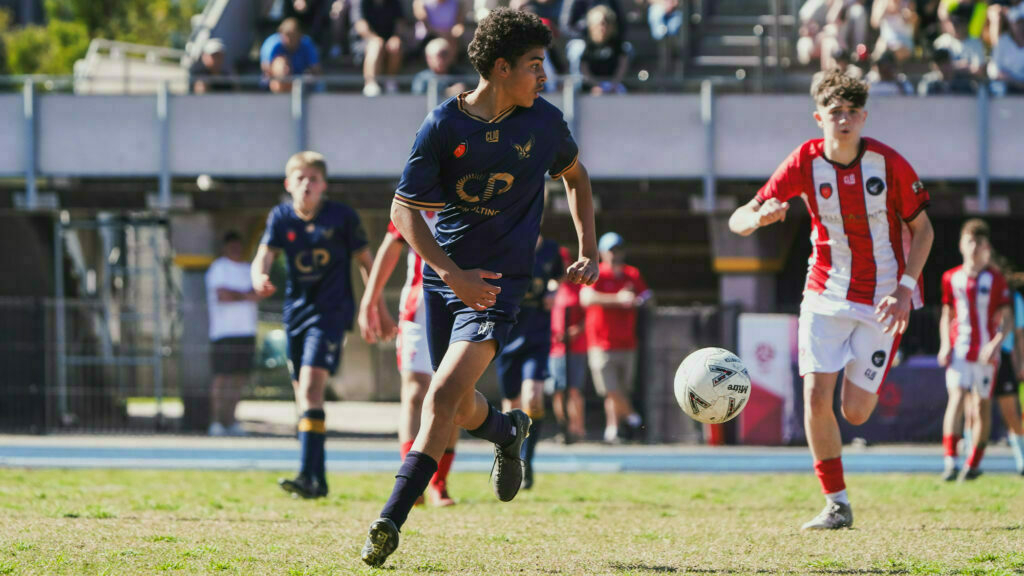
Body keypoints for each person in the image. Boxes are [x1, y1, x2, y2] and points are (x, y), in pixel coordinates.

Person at [360, 8, 599, 567]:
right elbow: (403, 211)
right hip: (446, 280)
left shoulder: (543, 123)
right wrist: (449, 274)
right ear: (500, 67)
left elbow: (577, 178)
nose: (544, 76)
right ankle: (506, 431)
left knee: (437, 398)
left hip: (499, 286)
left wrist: (587, 249)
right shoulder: (443, 126)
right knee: (460, 404)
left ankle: (388, 521)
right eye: (534, 65)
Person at [728, 69, 935, 530]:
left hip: (883, 298)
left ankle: (863, 364)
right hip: (824, 292)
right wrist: (760, 218)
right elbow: (737, 220)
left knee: (855, 411)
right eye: (834, 113)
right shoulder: (804, 161)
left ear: (863, 117)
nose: (842, 121)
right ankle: (836, 503)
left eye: (851, 113)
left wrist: (904, 289)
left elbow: (924, 230)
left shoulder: (888, 164)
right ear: (818, 117)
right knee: (815, 395)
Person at [251, 151, 375, 499]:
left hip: (331, 312)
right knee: (305, 398)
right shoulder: (281, 217)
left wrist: (372, 303)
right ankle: (317, 481)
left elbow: (367, 261)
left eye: (314, 179)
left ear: (324, 185)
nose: (307, 184)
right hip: (297, 314)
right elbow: (264, 254)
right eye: (300, 178)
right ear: (289, 184)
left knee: (309, 389)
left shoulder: (341, 217)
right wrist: (259, 275)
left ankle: (306, 475)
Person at [358, 211, 460, 507]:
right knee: (415, 391)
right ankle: (411, 482)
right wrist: (370, 301)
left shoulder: (477, 189)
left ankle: (439, 483)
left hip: (463, 305)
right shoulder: (418, 191)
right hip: (419, 307)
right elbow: (391, 243)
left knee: (454, 392)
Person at [938, 220, 1013, 482]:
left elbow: (1007, 317)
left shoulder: (995, 278)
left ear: (985, 247)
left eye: (978, 243)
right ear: (961, 244)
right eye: (969, 241)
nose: (973, 248)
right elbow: (947, 314)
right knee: (956, 399)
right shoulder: (951, 277)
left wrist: (996, 343)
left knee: (981, 406)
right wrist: (945, 344)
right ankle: (950, 461)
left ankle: (974, 463)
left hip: (985, 354)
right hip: (960, 350)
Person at [495, 235, 563, 489]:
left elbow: (559, 277)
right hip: (508, 332)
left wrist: (554, 291)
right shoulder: (505, 242)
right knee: (510, 407)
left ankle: (527, 461)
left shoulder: (551, 250)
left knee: (533, 398)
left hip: (537, 334)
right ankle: (509, 463)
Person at [580, 232, 651, 444]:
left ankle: (613, 430)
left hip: (627, 342)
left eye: (618, 249)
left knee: (620, 390)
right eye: (610, 250)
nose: (614, 254)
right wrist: (618, 300)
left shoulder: (632, 274)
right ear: (602, 252)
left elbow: (647, 296)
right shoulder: (597, 272)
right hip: (601, 343)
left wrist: (636, 300)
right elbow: (587, 297)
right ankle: (633, 417)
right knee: (609, 388)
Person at [206, 231, 263, 436]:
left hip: (246, 331)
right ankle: (216, 422)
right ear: (225, 248)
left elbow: (258, 294)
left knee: (239, 379)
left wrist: (240, 295)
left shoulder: (249, 269)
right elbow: (223, 295)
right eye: (232, 246)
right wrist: (245, 295)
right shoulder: (218, 268)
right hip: (224, 332)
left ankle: (230, 421)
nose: (236, 250)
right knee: (222, 378)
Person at [549, 245, 588, 444]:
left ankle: (577, 428)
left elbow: (588, 317)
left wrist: (575, 331)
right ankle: (563, 427)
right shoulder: (551, 288)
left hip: (576, 346)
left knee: (574, 390)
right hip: (555, 348)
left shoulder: (578, 287)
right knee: (558, 389)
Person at [260, 18, 323, 86]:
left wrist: (309, 74)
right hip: (277, 82)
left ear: (300, 35)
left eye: (293, 36)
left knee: (319, 84)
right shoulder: (272, 44)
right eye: (287, 36)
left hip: (300, 81)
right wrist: (282, 71)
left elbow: (316, 69)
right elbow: (266, 68)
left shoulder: (307, 44)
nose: (289, 40)